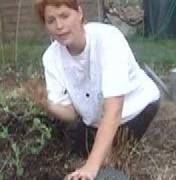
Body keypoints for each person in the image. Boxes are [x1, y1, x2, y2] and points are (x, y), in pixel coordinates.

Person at [34, 0, 160, 179]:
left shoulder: (107, 39)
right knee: (78, 152)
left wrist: (91, 167)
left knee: (106, 163)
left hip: (134, 109)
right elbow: (71, 113)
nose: (59, 26)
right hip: (95, 118)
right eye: (51, 20)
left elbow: (114, 110)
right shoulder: (51, 58)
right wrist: (47, 104)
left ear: (79, 13)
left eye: (64, 15)